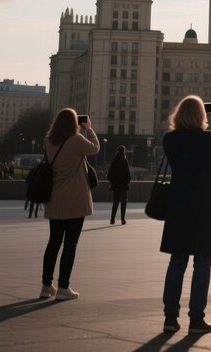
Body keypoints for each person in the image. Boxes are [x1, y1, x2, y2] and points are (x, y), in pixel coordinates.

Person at [161, 96, 211, 335]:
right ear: (203, 115)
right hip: (205, 207)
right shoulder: (207, 139)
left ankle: (170, 317)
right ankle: (196, 319)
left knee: (177, 261)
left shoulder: (169, 140)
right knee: (203, 262)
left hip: (179, 205)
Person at [39, 108, 100, 300]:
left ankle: (46, 286)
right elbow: (95, 148)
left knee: (53, 243)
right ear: (74, 123)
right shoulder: (76, 140)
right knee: (70, 245)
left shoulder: (48, 140)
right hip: (74, 200)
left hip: (55, 199)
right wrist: (89, 129)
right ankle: (63, 287)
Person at [108, 145, 131, 225]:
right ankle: (122, 219)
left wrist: (112, 182)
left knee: (115, 203)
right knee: (123, 203)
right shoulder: (124, 160)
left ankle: (112, 219)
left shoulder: (114, 160)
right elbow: (128, 174)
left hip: (116, 186)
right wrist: (127, 181)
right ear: (123, 151)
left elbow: (110, 173)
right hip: (123, 186)